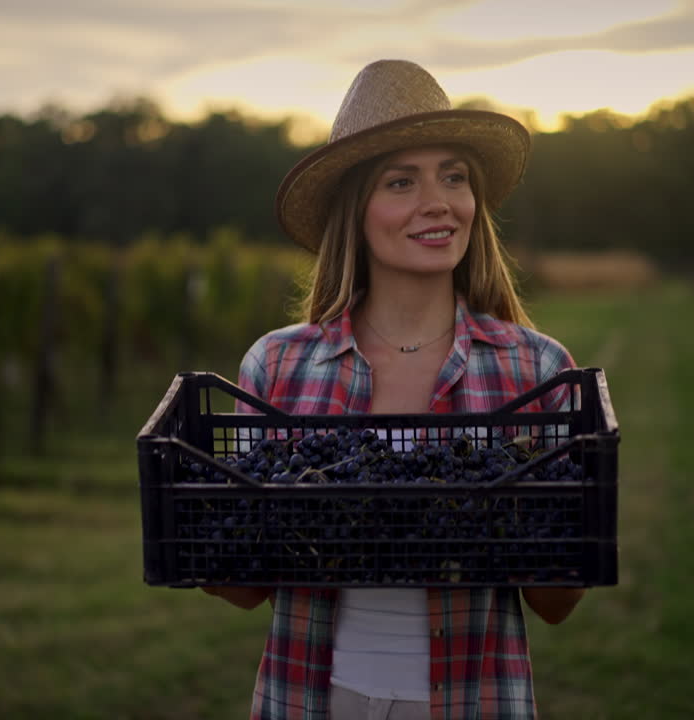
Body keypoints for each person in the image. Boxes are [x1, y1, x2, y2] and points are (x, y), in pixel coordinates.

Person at [203, 59, 585, 720]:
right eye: (402, 181)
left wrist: (521, 515)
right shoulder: (277, 366)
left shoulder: (538, 371)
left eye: (454, 177)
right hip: (314, 702)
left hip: (473, 703)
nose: (438, 202)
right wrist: (209, 538)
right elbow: (246, 587)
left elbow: (558, 602)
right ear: (357, 209)